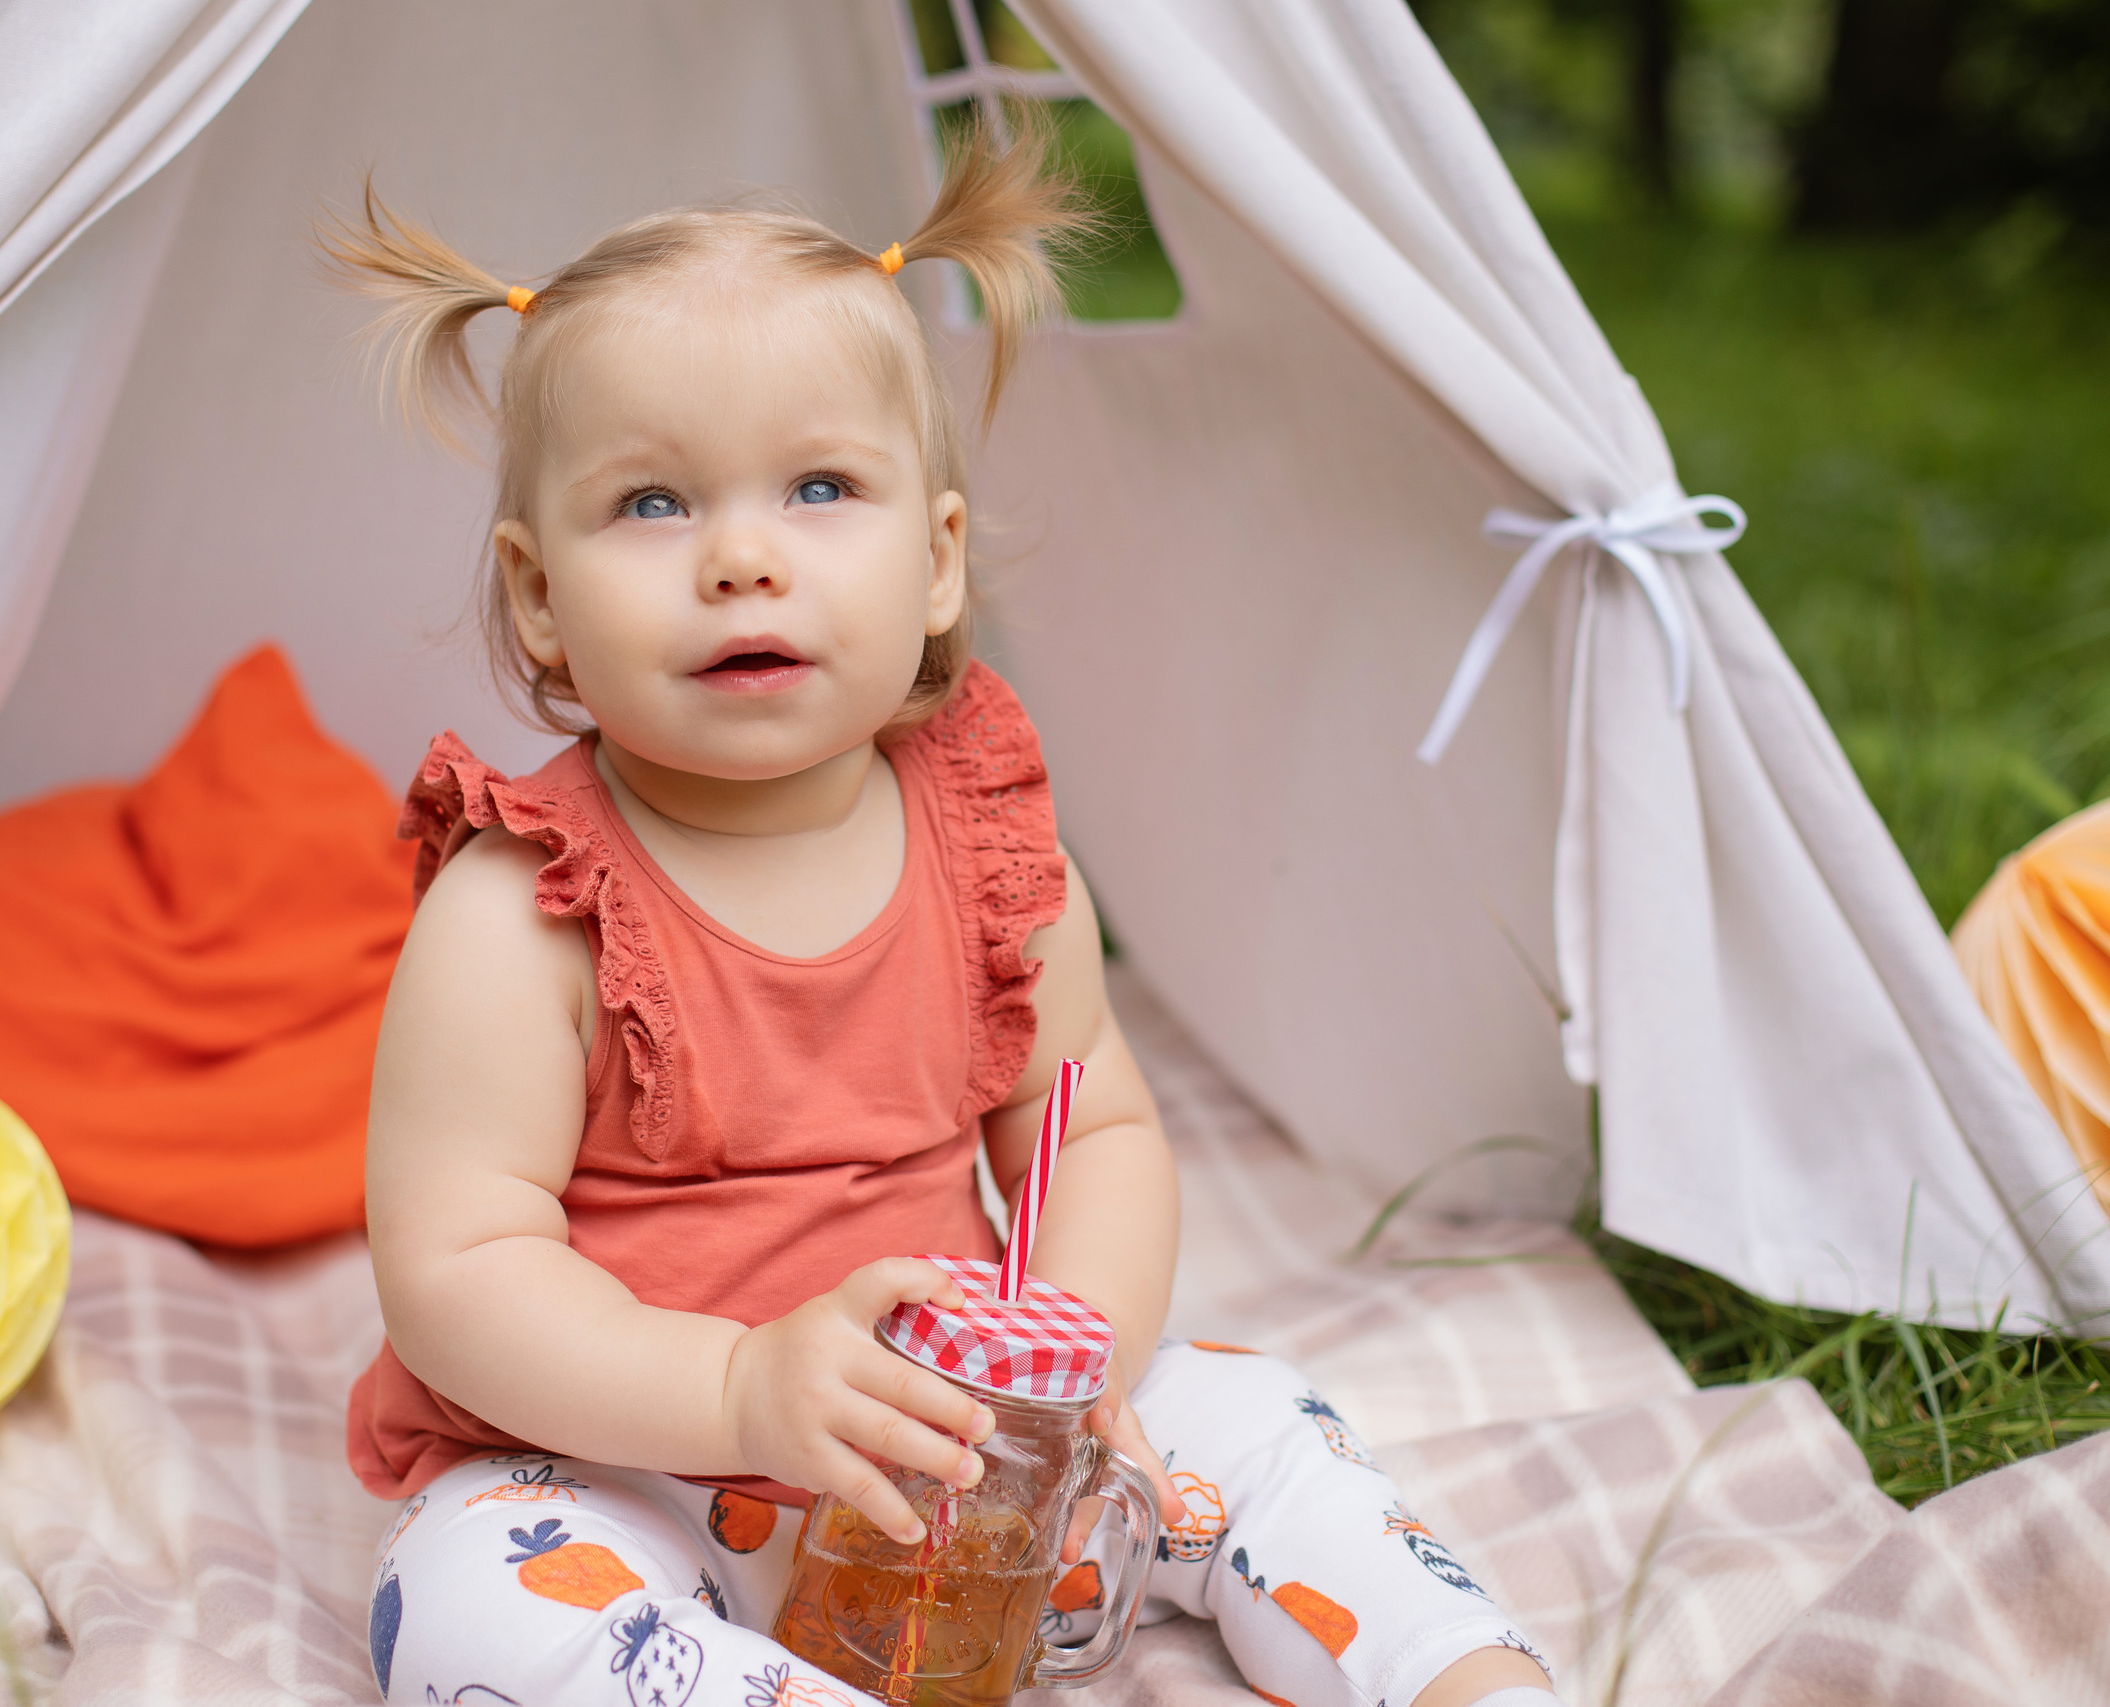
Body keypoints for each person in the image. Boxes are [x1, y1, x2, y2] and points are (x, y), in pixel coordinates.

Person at [327, 118, 1560, 1707]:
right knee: (467, 1586)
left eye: (821, 487)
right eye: (651, 506)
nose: (745, 559)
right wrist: (738, 1389)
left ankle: (1452, 1672)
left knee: (1249, 1416)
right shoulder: (523, 908)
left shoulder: (984, 848)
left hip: (965, 1458)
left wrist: (1077, 1382)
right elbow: (458, 1272)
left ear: (937, 563)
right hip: (639, 1475)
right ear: (537, 595)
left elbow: (1090, 1127)